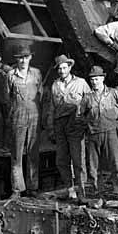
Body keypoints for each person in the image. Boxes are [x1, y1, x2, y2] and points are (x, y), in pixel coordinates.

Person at [78, 66, 118, 213]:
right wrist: (88, 124)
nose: (94, 82)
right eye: (92, 79)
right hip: (93, 135)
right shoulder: (87, 98)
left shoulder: (113, 93)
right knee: (94, 168)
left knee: (116, 165)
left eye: (97, 79)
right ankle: (100, 197)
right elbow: (78, 115)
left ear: (103, 79)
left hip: (110, 134)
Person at [47, 54, 90, 201]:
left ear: (70, 67)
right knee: (61, 159)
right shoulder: (55, 85)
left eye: (64, 68)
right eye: (59, 68)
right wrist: (50, 128)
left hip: (76, 124)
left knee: (78, 159)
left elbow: (90, 103)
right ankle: (70, 189)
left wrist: (86, 123)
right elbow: (51, 108)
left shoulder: (81, 83)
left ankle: (82, 191)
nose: (62, 71)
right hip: (60, 124)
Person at [4, 46, 43, 198]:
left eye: (26, 57)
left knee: (33, 153)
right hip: (17, 117)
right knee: (17, 154)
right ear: (16, 59)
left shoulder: (36, 74)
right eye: (20, 58)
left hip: (34, 116)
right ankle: (17, 189)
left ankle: (33, 188)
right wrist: (14, 112)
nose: (23, 60)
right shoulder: (10, 75)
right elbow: (7, 98)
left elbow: (41, 94)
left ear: (30, 58)